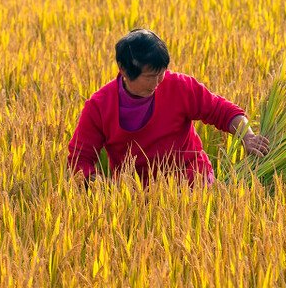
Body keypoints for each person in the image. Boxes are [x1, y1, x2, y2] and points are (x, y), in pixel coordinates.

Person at [67, 29, 270, 185]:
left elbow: (222, 110)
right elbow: (79, 159)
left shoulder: (179, 86)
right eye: (150, 76)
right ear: (123, 70)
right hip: (135, 195)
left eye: (161, 74)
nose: (157, 83)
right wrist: (100, 186)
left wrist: (247, 136)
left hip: (192, 180)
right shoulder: (99, 107)